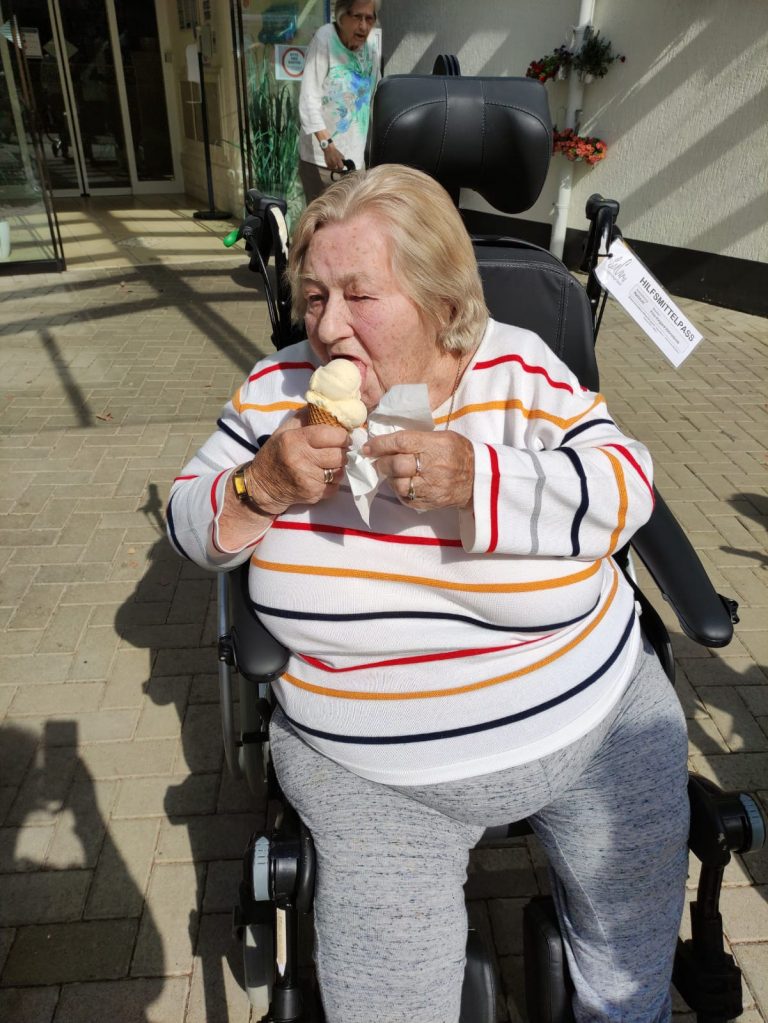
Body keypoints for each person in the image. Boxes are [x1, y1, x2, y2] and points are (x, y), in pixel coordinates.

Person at [167, 164, 689, 1023]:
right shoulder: (277, 389)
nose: (328, 327)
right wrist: (257, 486)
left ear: (443, 304)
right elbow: (189, 518)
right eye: (313, 296)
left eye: (359, 296)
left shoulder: (517, 370)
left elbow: (628, 481)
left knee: (630, 975)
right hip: (372, 767)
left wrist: (484, 478)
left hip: (587, 720)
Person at [297, 0, 381, 203]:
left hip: (355, 162)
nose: (363, 26)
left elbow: (377, 95)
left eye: (369, 19)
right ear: (341, 17)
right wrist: (328, 146)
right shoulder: (325, 39)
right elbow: (309, 99)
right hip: (322, 161)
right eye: (357, 17)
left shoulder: (370, 46)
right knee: (322, 225)